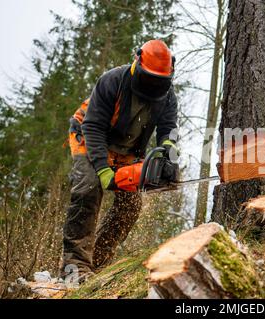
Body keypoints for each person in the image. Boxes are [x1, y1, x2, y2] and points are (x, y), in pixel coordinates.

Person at [61, 39, 179, 282]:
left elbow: (169, 129)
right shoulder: (113, 80)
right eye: (150, 79)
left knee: (131, 206)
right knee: (89, 187)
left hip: (127, 149)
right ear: (137, 64)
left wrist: (168, 152)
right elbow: (93, 126)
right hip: (90, 135)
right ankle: (73, 266)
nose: (154, 85)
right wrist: (104, 170)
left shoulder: (168, 96)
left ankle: (97, 263)